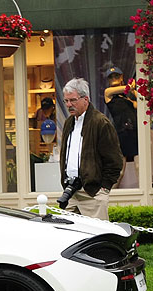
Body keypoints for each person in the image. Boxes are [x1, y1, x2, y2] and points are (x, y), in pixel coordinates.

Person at [58, 78, 123, 220]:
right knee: (69, 237)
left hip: (93, 193)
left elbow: (115, 161)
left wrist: (104, 189)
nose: (69, 105)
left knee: (97, 237)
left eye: (73, 100)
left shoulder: (100, 122)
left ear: (85, 99)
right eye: (66, 101)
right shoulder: (69, 122)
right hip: (71, 192)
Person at [103, 66, 139, 186]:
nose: (114, 78)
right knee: (120, 171)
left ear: (121, 77)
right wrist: (129, 87)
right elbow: (121, 89)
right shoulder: (108, 94)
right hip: (121, 134)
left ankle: (144, 195)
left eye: (116, 76)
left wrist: (133, 90)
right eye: (111, 77)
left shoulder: (127, 98)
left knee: (139, 167)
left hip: (134, 133)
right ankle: (111, 197)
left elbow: (141, 102)